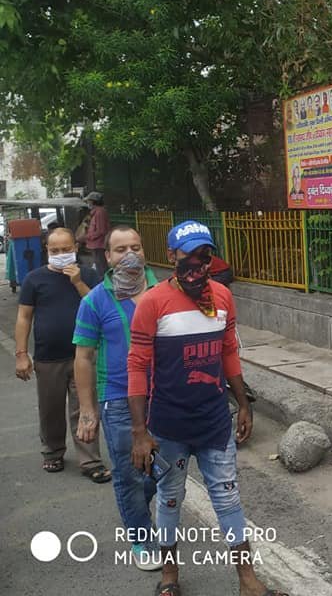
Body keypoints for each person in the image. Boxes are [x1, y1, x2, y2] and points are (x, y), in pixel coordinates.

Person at [128, 221, 286, 596]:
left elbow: (228, 350)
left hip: (214, 420)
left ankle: (247, 580)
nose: (198, 262)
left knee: (228, 497)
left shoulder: (222, 298)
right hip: (168, 424)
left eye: (205, 255)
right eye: (190, 255)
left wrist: (243, 403)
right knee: (169, 497)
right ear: (171, 256)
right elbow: (136, 365)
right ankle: (169, 575)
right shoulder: (152, 302)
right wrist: (139, 432)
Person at [74, 226, 161, 570]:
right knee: (129, 473)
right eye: (121, 248)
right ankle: (142, 537)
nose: (130, 254)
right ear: (107, 256)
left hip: (165, 396)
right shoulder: (94, 300)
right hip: (119, 399)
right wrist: (86, 410)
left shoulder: (165, 292)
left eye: (136, 247)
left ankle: (142, 513)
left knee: (166, 470)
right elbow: (83, 357)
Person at [14, 227, 108, 481]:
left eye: (66, 249)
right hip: (48, 356)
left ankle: (90, 460)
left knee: (85, 407)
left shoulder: (89, 275)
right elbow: (24, 317)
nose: (61, 254)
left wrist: (77, 282)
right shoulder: (35, 279)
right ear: (47, 251)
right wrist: (21, 354)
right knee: (50, 408)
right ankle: (53, 452)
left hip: (84, 356)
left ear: (75, 248)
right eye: (55, 250)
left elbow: (100, 308)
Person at [80, 191, 110, 274]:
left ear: (93, 201)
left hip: (99, 244)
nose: (88, 203)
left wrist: (87, 236)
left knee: (101, 266)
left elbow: (101, 231)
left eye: (89, 201)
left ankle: (104, 283)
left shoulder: (100, 212)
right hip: (95, 244)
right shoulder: (95, 212)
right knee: (99, 265)